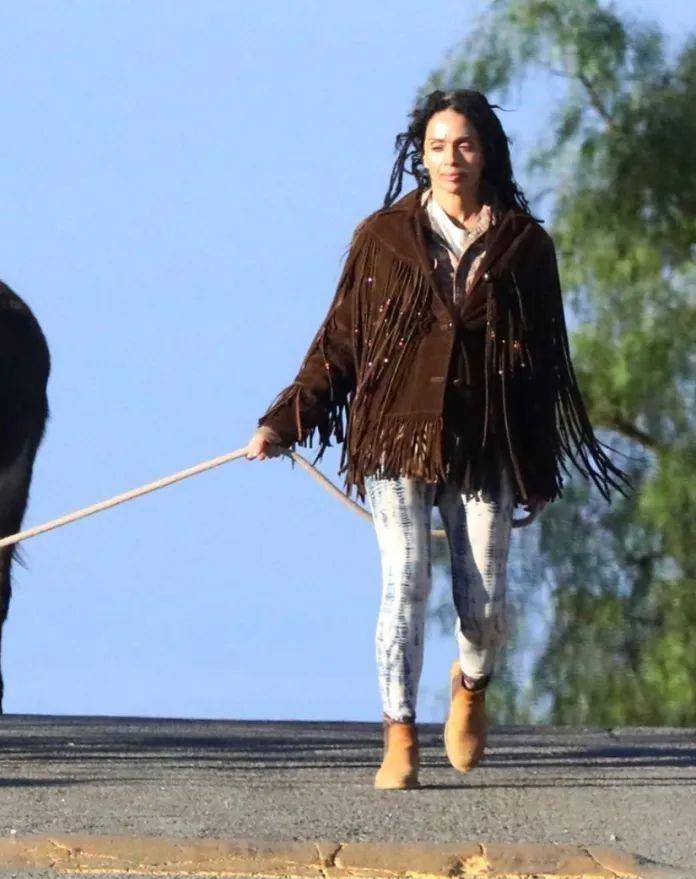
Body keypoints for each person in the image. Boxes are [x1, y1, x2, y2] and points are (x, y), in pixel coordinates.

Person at [245, 89, 628, 790]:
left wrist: (537, 467)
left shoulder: (525, 247)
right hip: (395, 437)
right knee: (406, 580)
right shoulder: (381, 239)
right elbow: (338, 346)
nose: (451, 160)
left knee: (483, 604)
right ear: (419, 155)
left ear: (486, 153)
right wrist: (283, 420)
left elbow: (545, 368)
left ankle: (471, 686)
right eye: (437, 147)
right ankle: (398, 735)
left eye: (465, 145)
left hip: (487, 441)